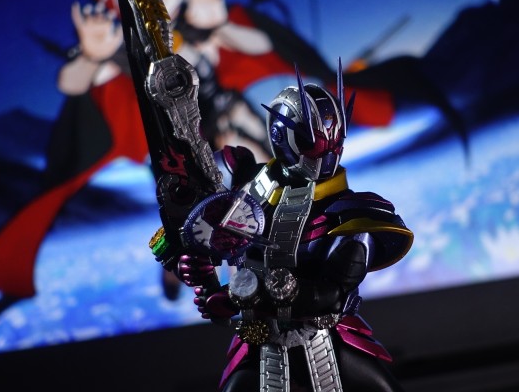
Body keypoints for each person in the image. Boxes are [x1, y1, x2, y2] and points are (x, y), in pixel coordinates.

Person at [171, 62, 414, 391]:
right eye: (309, 141)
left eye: (329, 143)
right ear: (281, 136)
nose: (321, 155)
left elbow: (331, 296)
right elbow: (203, 237)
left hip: (324, 338)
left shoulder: (351, 215)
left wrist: (240, 296)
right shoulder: (248, 185)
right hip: (262, 340)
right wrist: (195, 265)